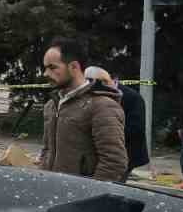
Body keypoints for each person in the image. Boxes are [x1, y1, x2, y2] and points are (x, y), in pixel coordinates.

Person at [38, 38, 126, 183]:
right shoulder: (51, 106)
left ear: (74, 67)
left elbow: (114, 161)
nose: (45, 73)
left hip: (80, 197)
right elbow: (47, 150)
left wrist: (88, 195)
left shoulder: (102, 106)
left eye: (52, 67)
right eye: (45, 68)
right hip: (52, 191)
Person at [85, 67, 149, 180]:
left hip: (128, 152)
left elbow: (136, 127)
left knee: (116, 182)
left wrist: (108, 134)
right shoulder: (95, 95)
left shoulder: (132, 97)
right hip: (104, 151)